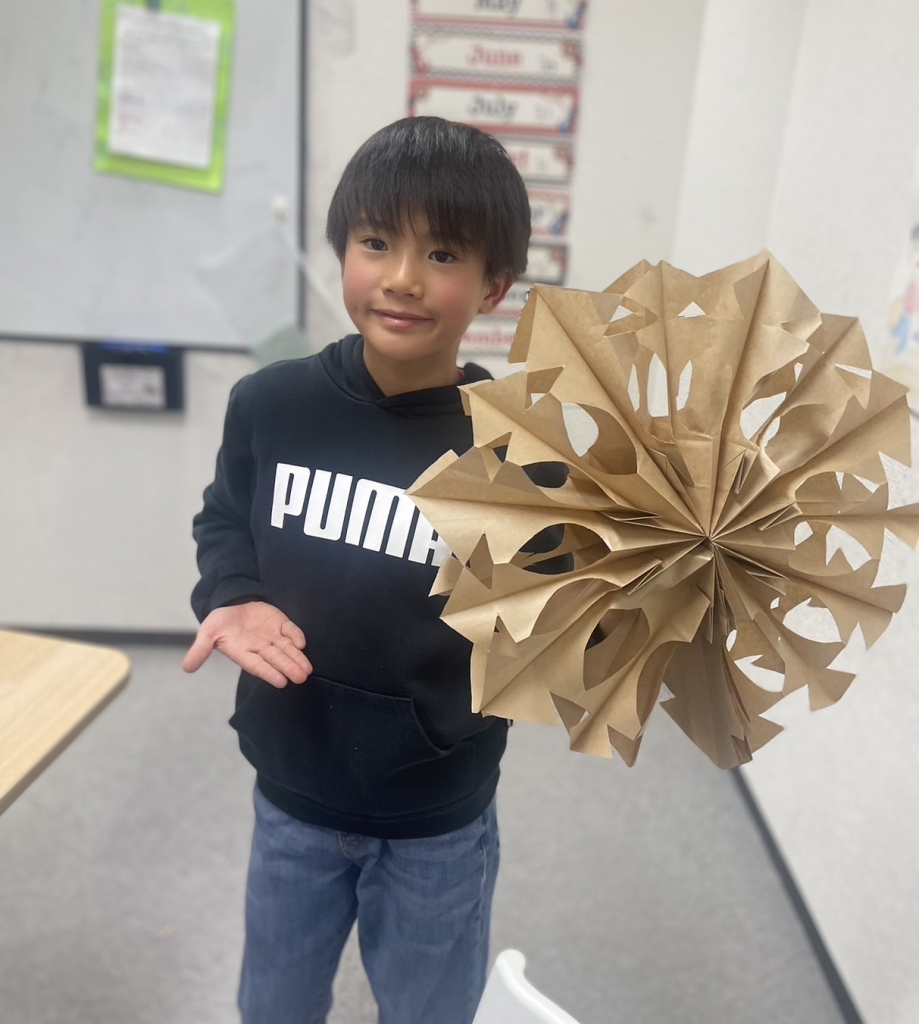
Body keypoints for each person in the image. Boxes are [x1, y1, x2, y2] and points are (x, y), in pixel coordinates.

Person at [183, 116, 531, 1024]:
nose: (402, 277)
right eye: (376, 242)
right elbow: (225, 519)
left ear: (493, 285)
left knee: (427, 1012)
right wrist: (234, 594)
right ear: (341, 251)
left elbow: (558, 617)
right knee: (275, 1005)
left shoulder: (515, 447)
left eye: (442, 253)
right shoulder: (272, 403)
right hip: (292, 790)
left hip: (436, 814)